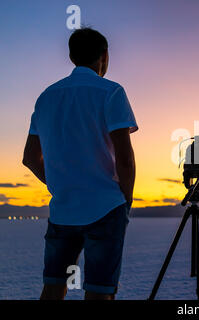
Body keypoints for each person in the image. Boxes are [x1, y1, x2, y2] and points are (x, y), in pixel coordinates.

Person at [22, 28, 138, 300]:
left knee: (53, 287)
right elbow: (125, 157)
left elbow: (29, 157)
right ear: (104, 56)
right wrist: (126, 199)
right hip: (105, 207)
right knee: (100, 292)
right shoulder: (111, 92)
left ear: (72, 56)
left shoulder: (47, 96)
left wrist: (59, 183)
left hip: (63, 209)